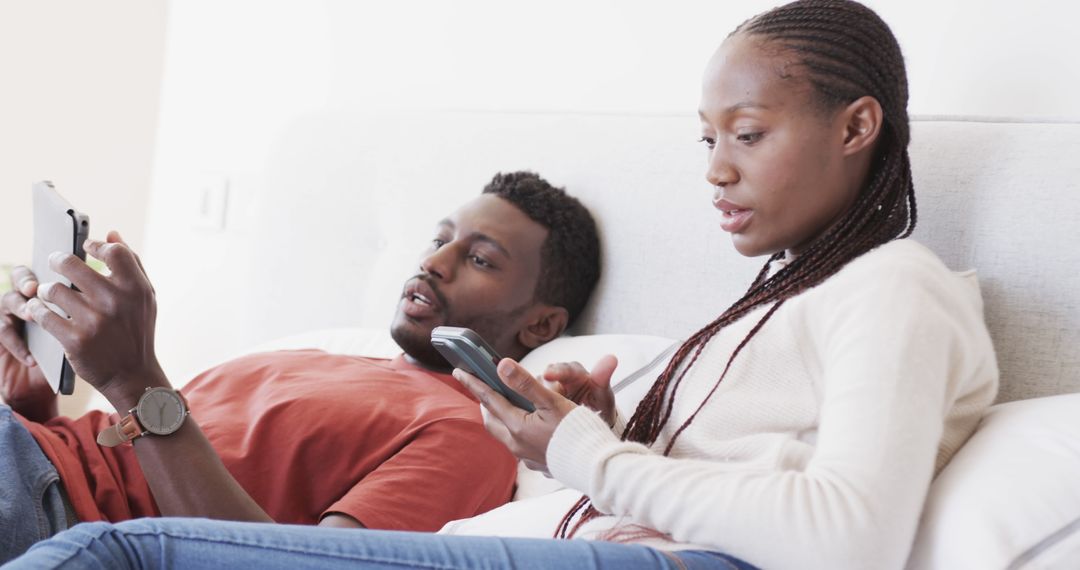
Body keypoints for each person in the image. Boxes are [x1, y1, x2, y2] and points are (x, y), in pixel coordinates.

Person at [4, 1, 999, 569]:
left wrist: (583, 451)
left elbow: (851, 534)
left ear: (856, 126)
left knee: (99, 558)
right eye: (706, 140)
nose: (716, 169)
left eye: (747, 135)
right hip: (39, 457)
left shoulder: (897, 289)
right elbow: (736, 477)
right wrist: (610, 438)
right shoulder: (786, 303)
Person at [0, 171, 602, 563]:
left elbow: (284, 564)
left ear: (542, 326)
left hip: (51, 507)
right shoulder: (321, 358)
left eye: (479, 259)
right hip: (29, 449)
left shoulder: (468, 433)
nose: (434, 262)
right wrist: (32, 396)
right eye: (439, 239)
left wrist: (138, 381)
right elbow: (124, 450)